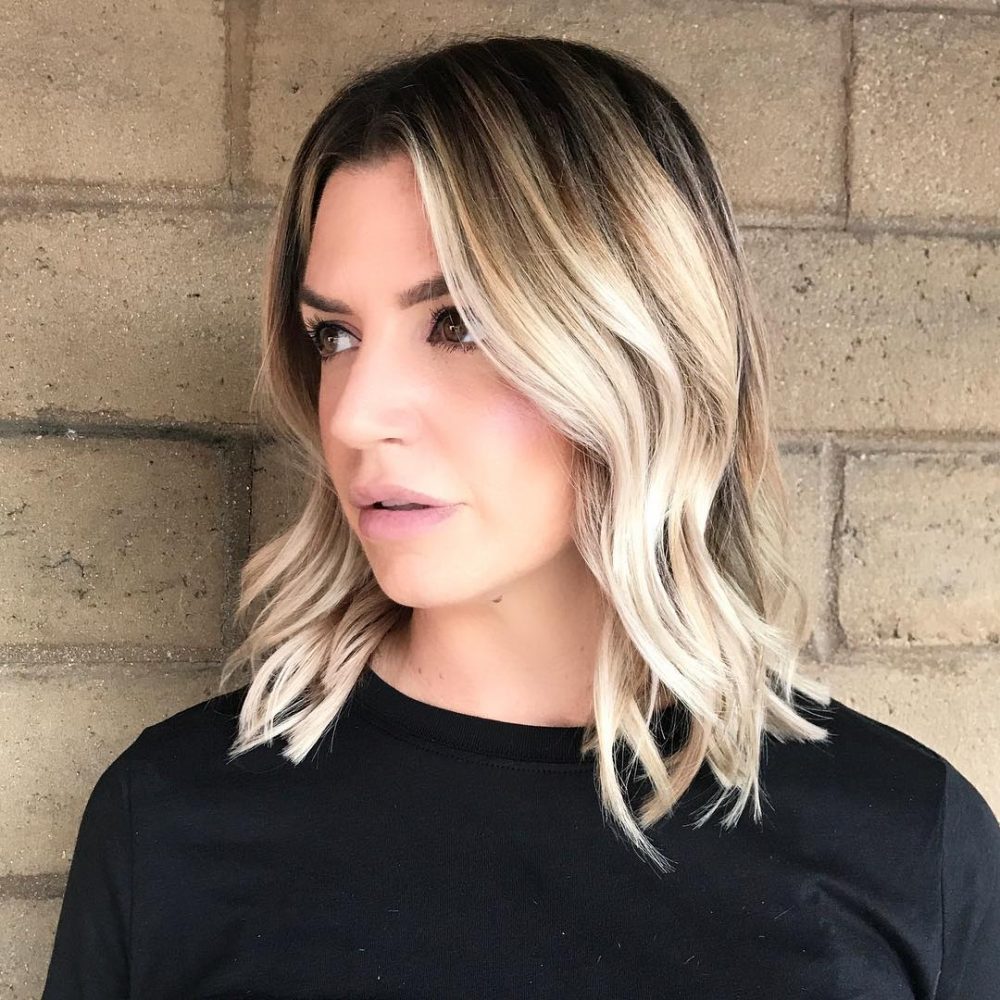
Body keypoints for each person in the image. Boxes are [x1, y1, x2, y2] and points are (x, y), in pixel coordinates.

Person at [41, 33, 998, 999]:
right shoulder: (172, 823)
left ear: (643, 352)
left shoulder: (911, 844)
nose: (357, 415)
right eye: (333, 335)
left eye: (458, 324)